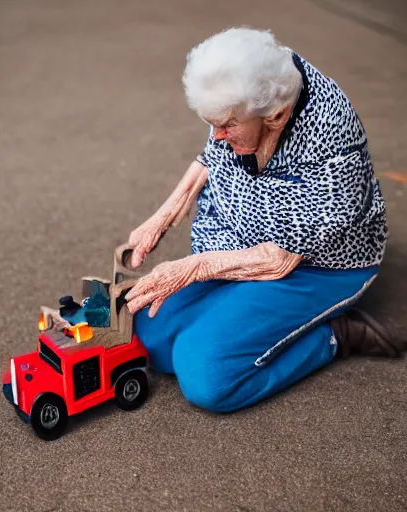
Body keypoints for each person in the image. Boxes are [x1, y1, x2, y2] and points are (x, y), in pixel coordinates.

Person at [124, 27, 404, 413]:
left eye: (227, 126)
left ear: (276, 115)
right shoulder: (244, 90)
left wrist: (196, 267)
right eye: (213, 122)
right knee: (148, 334)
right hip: (241, 241)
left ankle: (336, 336)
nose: (217, 135)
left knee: (207, 375)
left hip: (315, 266)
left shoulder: (333, 136)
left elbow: (281, 258)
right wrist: (162, 216)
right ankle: (231, 316)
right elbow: (212, 154)